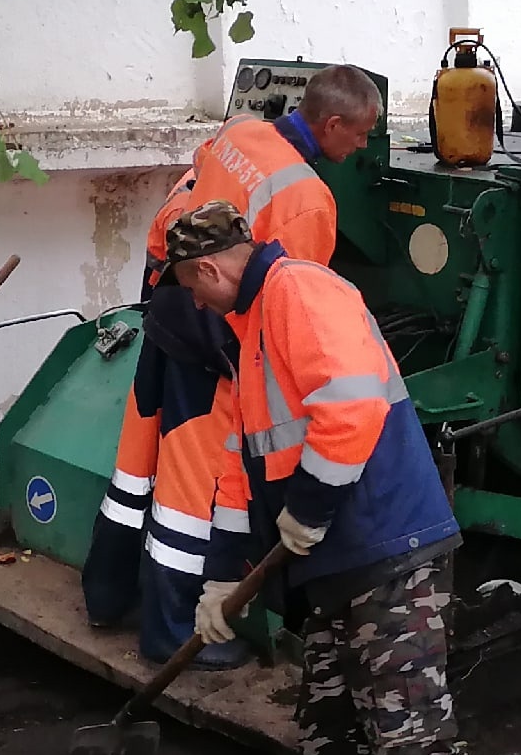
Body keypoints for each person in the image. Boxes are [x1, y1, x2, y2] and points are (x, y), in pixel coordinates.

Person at [163, 199, 521, 755]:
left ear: (206, 270)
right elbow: (248, 468)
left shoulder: (301, 294)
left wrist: (307, 512)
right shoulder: (249, 334)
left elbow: (350, 411)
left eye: (186, 288)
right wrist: (224, 578)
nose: (191, 303)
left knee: (411, 745)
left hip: (389, 552)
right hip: (338, 565)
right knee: (331, 728)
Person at [85, 65, 386, 666]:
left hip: (167, 312)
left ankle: (106, 596)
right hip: (215, 346)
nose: (363, 146)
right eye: (361, 134)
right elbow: (287, 308)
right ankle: (173, 636)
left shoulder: (239, 134)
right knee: (191, 501)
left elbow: (172, 213)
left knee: (133, 476)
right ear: (331, 124)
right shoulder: (308, 201)